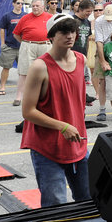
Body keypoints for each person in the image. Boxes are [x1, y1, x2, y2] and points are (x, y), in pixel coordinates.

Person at [20, 13, 89, 207]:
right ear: (51, 36)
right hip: (46, 147)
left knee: (90, 200)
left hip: (77, 143)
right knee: (55, 207)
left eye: (72, 31)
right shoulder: (40, 67)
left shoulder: (81, 60)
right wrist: (63, 126)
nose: (70, 36)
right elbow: (28, 111)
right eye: (64, 32)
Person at [14, 0, 53, 107]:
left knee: (48, 72)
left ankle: (47, 95)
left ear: (43, 7)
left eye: (37, 6)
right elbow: (16, 34)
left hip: (45, 45)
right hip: (28, 45)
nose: (35, 8)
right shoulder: (25, 18)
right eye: (33, 6)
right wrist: (26, 43)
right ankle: (18, 97)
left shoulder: (50, 18)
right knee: (24, 72)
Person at [0, 0, 24, 96]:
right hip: (9, 46)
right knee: (6, 67)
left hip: (22, 46)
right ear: (13, 4)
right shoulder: (7, 16)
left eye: (22, 3)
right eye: (18, 3)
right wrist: (2, 43)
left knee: (24, 69)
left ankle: (24, 88)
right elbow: (2, 29)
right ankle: (2, 87)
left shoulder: (25, 16)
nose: (20, 5)